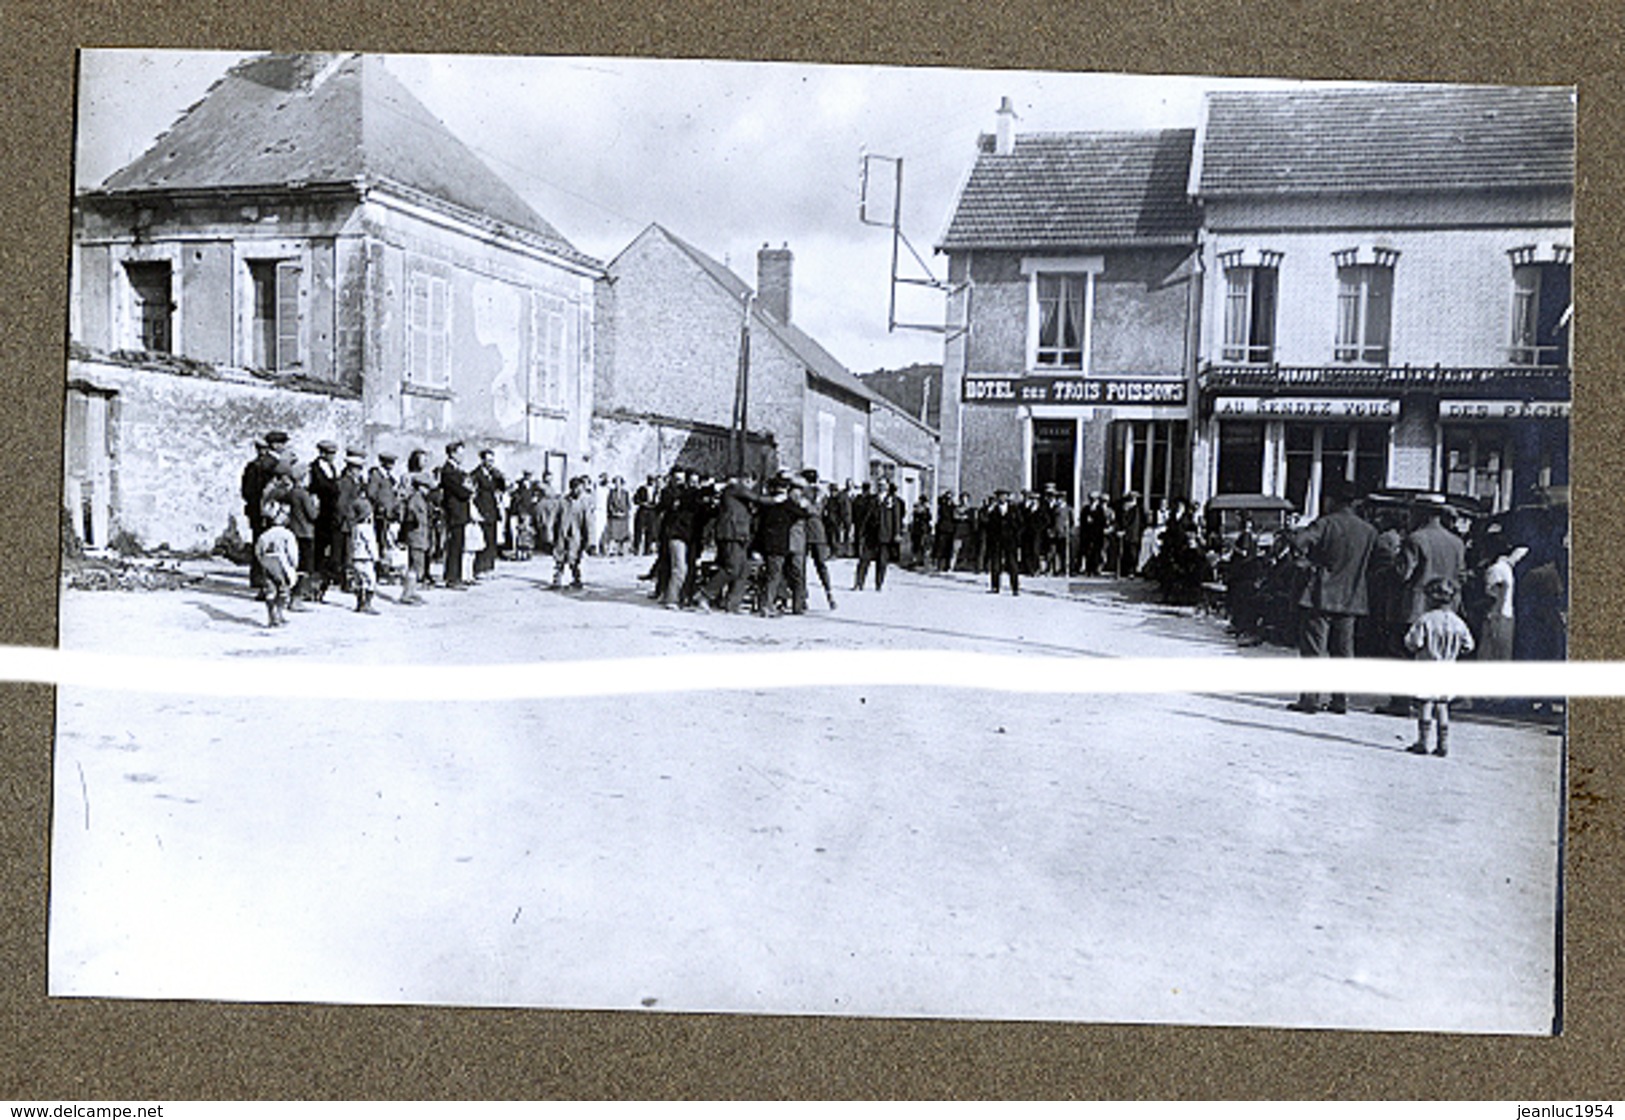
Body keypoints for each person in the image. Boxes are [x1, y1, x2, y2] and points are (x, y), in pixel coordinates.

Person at [1285, 480, 1378, 715]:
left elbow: (1299, 542)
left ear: (1333, 500)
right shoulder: (1368, 531)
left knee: (1315, 648)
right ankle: (1340, 700)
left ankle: (1310, 699)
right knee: (1343, 651)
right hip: (1352, 597)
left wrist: (1305, 560)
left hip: (1321, 595)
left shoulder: (1326, 523)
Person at [1405, 577, 1475, 757]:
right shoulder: (1458, 623)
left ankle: (1423, 741)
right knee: (1442, 705)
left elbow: (1414, 642)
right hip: (1448, 668)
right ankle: (1443, 743)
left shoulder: (1426, 620)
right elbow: (1469, 645)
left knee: (1425, 704)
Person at [1399, 494, 1466, 628]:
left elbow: (1403, 574)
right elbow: (1461, 575)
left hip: (1417, 609)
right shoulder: (1457, 542)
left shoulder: (1415, 539)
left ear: (1422, 513)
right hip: (1448, 609)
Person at [700, 474, 759, 613]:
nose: (750, 487)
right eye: (749, 482)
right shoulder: (735, 489)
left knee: (744, 569)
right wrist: (777, 499)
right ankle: (704, 594)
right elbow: (759, 499)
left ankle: (732, 604)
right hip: (731, 534)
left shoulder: (740, 495)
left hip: (740, 535)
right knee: (732, 568)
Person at [241, 431, 287, 598]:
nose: (284, 447)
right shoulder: (272, 464)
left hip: (258, 511)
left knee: (259, 544)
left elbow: (246, 491)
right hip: (266, 512)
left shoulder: (258, 464)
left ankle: (259, 579)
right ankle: (265, 583)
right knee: (268, 546)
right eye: (282, 443)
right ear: (274, 445)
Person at [1478, 541, 1530, 661]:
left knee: (1490, 654)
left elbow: (1495, 595)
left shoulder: (1495, 569)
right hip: (1506, 615)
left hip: (1496, 616)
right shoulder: (1506, 568)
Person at [253, 501, 299, 628]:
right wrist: (293, 565)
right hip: (282, 565)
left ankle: (271, 615)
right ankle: (279, 613)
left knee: (270, 591)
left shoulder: (264, 536)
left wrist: (263, 561)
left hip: (268, 564)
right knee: (283, 591)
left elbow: (258, 551)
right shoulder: (287, 535)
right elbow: (292, 554)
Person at [438, 442, 473, 589]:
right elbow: (460, 491)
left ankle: (454, 575)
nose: (462, 456)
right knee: (454, 546)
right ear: (452, 453)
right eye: (460, 453)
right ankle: (452, 578)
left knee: (458, 545)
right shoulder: (448, 471)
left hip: (460, 513)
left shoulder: (457, 470)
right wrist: (468, 490)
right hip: (454, 513)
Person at [470, 448, 506, 578]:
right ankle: (479, 569)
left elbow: (502, 488)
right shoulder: (476, 474)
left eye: (492, 460)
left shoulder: (494, 475)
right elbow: (473, 492)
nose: (491, 463)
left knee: (492, 540)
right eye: (488, 460)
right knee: (482, 540)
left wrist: (500, 477)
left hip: (492, 510)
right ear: (482, 460)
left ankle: (490, 567)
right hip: (482, 510)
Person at [397, 470, 432, 606]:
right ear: (420, 486)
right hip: (416, 536)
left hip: (420, 536)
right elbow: (410, 514)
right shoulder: (415, 498)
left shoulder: (420, 499)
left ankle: (412, 591)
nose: (428, 490)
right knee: (415, 566)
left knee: (417, 566)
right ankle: (407, 594)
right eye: (426, 487)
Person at [551, 475, 591, 589]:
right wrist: (552, 535)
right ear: (571, 488)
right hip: (562, 533)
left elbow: (587, 522)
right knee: (559, 557)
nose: (579, 491)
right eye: (576, 488)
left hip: (576, 534)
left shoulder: (583, 504)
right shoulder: (562, 502)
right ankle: (557, 580)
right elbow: (555, 519)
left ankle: (576, 579)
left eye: (581, 488)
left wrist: (588, 538)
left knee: (574, 557)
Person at [983, 489, 1022, 595]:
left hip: (1010, 540)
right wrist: (988, 511)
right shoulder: (993, 510)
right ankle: (995, 586)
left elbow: (1020, 524)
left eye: (1004, 496)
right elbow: (984, 522)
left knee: (1012, 564)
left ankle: (1015, 588)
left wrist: (1016, 536)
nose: (1002, 498)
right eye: (1000, 496)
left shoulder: (1014, 509)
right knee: (995, 564)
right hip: (996, 540)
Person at [349, 496, 381, 615]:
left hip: (356, 557)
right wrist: (375, 556)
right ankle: (367, 603)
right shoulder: (367, 529)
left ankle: (359, 603)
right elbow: (370, 544)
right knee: (370, 580)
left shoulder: (355, 528)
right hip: (366, 558)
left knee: (358, 581)